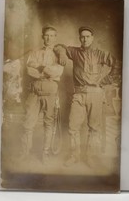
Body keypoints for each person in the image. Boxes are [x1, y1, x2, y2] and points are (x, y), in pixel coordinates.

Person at [57, 26, 115, 166]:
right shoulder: (75, 52)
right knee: (73, 126)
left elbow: (117, 64)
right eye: (82, 36)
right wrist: (62, 54)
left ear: (92, 38)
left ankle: (90, 157)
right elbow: (59, 46)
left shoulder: (100, 53)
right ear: (79, 38)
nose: (85, 39)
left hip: (95, 93)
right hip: (79, 94)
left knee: (94, 127)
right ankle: (74, 155)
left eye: (88, 36)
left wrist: (106, 80)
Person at [21, 26, 64, 164]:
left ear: (55, 37)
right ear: (42, 36)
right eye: (46, 35)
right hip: (34, 91)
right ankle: (25, 152)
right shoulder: (35, 52)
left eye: (52, 35)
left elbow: (58, 72)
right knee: (28, 123)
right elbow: (29, 70)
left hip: (50, 92)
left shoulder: (59, 55)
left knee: (48, 123)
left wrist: (41, 67)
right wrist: (46, 71)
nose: (49, 38)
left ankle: (45, 153)